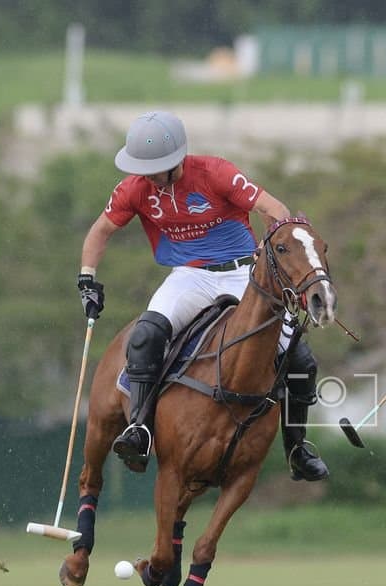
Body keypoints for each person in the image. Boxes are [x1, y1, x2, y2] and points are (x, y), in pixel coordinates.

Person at [76, 110, 329, 481]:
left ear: (176, 162)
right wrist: (87, 280)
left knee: (300, 357)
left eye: (153, 169)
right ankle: (140, 430)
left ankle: (298, 447)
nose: (146, 177)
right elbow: (100, 232)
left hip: (243, 272)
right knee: (146, 335)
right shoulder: (135, 189)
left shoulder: (215, 173)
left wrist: (273, 257)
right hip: (189, 277)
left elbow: (274, 210)